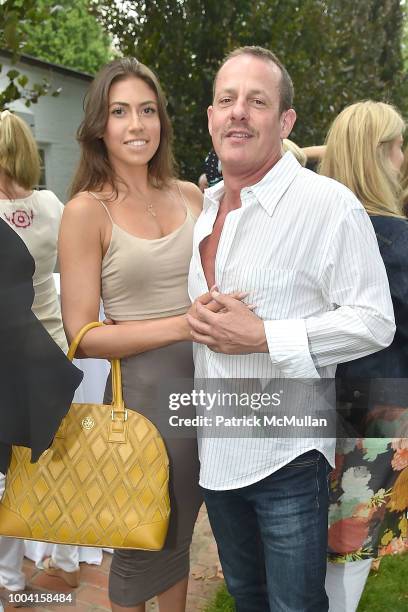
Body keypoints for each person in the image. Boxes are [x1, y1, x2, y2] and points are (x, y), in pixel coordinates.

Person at [186, 46, 396, 612]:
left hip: (287, 454)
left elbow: (375, 321)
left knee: (296, 605)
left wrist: (264, 336)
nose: (238, 113)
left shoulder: (327, 206)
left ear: (285, 122)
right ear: (210, 117)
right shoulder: (203, 208)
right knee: (247, 596)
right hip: (218, 451)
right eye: (227, 100)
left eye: (257, 101)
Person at [58, 58, 206, 612]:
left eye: (147, 110)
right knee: (139, 545)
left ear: (162, 121)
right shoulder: (85, 211)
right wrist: (182, 323)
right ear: (100, 125)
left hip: (206, 393)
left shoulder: (191, 196)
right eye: (120, 112)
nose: (136, 124)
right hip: (139, 403)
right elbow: (83, 335)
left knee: (180, 537)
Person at [319, 100, 408, 612]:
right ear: (379, 155)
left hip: (314, 395)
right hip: (376, 407)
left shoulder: (318, 225)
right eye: (396, 147)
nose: (401, 158)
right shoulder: (393, 237)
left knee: (315, 541)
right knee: (349, 551)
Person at [0, 110, 84, 594]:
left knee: (5, 470)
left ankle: (10, 579)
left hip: (6, 361)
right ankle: (67, 561)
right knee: (60, 462)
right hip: (54, 352)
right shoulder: (53, 205)